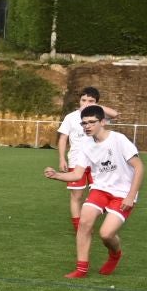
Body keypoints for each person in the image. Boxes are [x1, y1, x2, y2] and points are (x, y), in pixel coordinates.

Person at [47, 105, 142, 278]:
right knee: (84, 223)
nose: (87, 126)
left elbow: (139, 167)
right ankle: (81, 269)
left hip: (123, 193)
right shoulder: (85, 144)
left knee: (106, 234)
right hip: (100, 189)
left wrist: (130, 196)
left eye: (91, 122)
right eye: (84, 123)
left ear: (103, 122)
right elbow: (77, 174)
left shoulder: (118, 139)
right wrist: (56, 175)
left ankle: (115, 254)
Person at [55, 87, 114, 231]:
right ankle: (78, 227)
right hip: (76, 161)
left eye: (91, 100)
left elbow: (115, 114)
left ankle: (88, 217)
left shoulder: (99, 116)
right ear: (79, 100)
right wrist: (62, 158)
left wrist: (95, 107)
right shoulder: (71, 117)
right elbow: (63, 139)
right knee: (77, 195)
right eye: (83, 100)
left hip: (97, 162)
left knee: (102, 193)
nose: (86, 103)